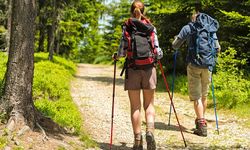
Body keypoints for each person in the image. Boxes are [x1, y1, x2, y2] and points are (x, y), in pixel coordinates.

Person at [113, 0, 163, 149]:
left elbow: (122, 51)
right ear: (144, 11)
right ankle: (150, 132)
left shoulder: (127, 27)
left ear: (131, 11)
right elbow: (158, 52)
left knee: (135, 106)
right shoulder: (150, 27)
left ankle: (137, 142)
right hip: (149, 69)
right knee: (149, 104)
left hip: (133, 69)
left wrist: (116, 56)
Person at [172, 10, 221, 137]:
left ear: (193, 18)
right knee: (204, 95)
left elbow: (175, 45)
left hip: (194, 64)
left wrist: (175, 41)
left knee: (197, 97)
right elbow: (217, 48)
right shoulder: (210, 28)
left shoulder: (188, 27)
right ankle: (201, 119)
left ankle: (201, 124)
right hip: (208, 65)